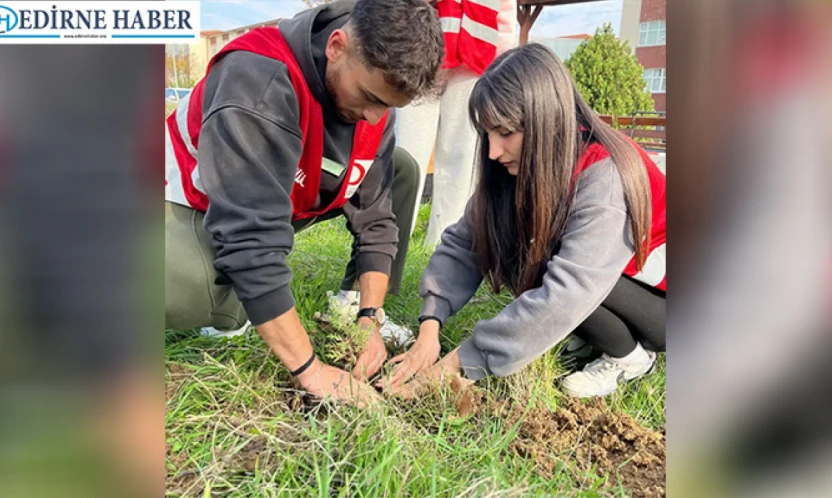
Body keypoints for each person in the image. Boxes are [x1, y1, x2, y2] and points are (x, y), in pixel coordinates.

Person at [164, 0, 445, 404]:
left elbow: (377, 219)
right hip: (196, 200)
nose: (373, 116)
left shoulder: (372, 99)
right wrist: (311, 370)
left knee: (401, 168)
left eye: (387, 107)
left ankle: (347, 305)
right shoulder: (257, 79)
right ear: (336, 46)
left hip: (287, 193)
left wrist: (369, 317)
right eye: (368, 96)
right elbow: (249, 239)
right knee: (213, 300)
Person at [381, 43, 666, 399]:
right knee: (515, 245)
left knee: (539, 262)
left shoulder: (605, 176)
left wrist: (455, 365)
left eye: (505, 133)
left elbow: (568, 292)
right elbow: (465, 240)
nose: (492, 152)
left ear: (547, 120)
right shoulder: (527, 164)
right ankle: (587, 335)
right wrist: (429, 326)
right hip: (620, 279)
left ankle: (632, 358)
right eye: (487, 134)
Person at [396, 0, 517, 244]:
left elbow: (505, 9)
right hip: (420, 41)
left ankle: (445, 241)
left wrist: (502, 58)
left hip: (475, 52)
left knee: (461, 153)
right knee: (408, 148)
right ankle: (391, 236)